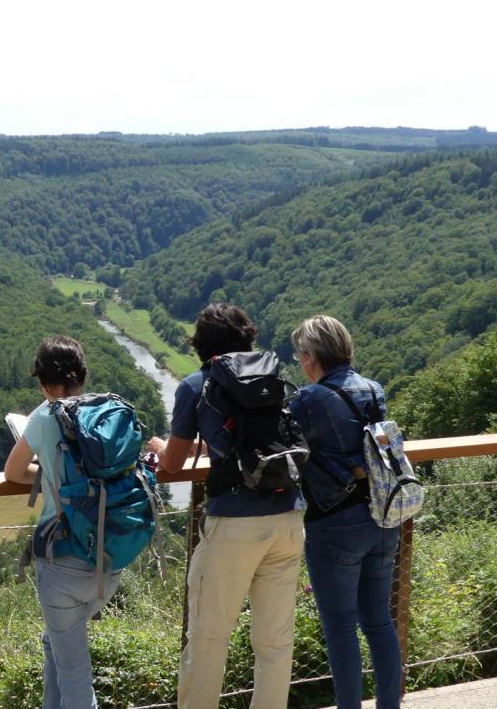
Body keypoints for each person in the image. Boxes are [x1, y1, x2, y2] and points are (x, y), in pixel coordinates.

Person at [148, 302, 304, 709]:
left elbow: (173, 463)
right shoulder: (270, 377)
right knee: (274, 640)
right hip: (287, 515)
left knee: (209, 637)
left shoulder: (195, 385)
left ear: (199, 345)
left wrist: (159, 447)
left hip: (234, 523)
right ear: (247, 337)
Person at [3, 335, 123, 709]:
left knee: (76, 680)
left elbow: (13, 472)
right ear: (82, 375)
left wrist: (48, 472)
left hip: (64, 561)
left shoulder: (43, 416)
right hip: (111, 558)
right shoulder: (107, 412)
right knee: (55, 641)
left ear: (44, 383)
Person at [289, 315, 401, 709]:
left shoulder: (308, 399)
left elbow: (279, 445)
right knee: (379, 621)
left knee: (340, 628)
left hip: (334, 522)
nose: (301, 361)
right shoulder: (374, 389)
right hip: (383, 515)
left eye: (301, 353)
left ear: (310, 355)